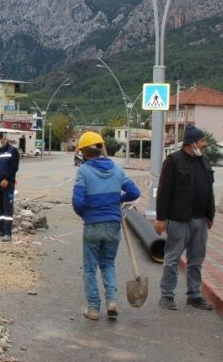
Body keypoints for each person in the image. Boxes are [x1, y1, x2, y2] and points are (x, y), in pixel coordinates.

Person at [71, 131, 141, 321]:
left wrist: (86, 214)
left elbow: (77, 201)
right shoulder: (117, 169)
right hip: (113, 225)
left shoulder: (84, 171)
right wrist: (118, 199)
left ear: (84, 153)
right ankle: (112, 302)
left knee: (90, 269)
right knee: (108, 264)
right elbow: (134, 192)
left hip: (93, 225)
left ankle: (93, 308)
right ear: (102, 149)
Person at [154, 125, 215, 311]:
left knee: (196, 259)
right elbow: (164, 191)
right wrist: (161, 218)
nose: (205, 144)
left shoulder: (203, 162)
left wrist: (210, 214)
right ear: (192, 143)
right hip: (179, 219)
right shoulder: (173, 161)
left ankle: (194, 295)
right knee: (172, 258)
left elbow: (209, 190)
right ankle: (167, 295)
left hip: (200, 220)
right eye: (202, 141)